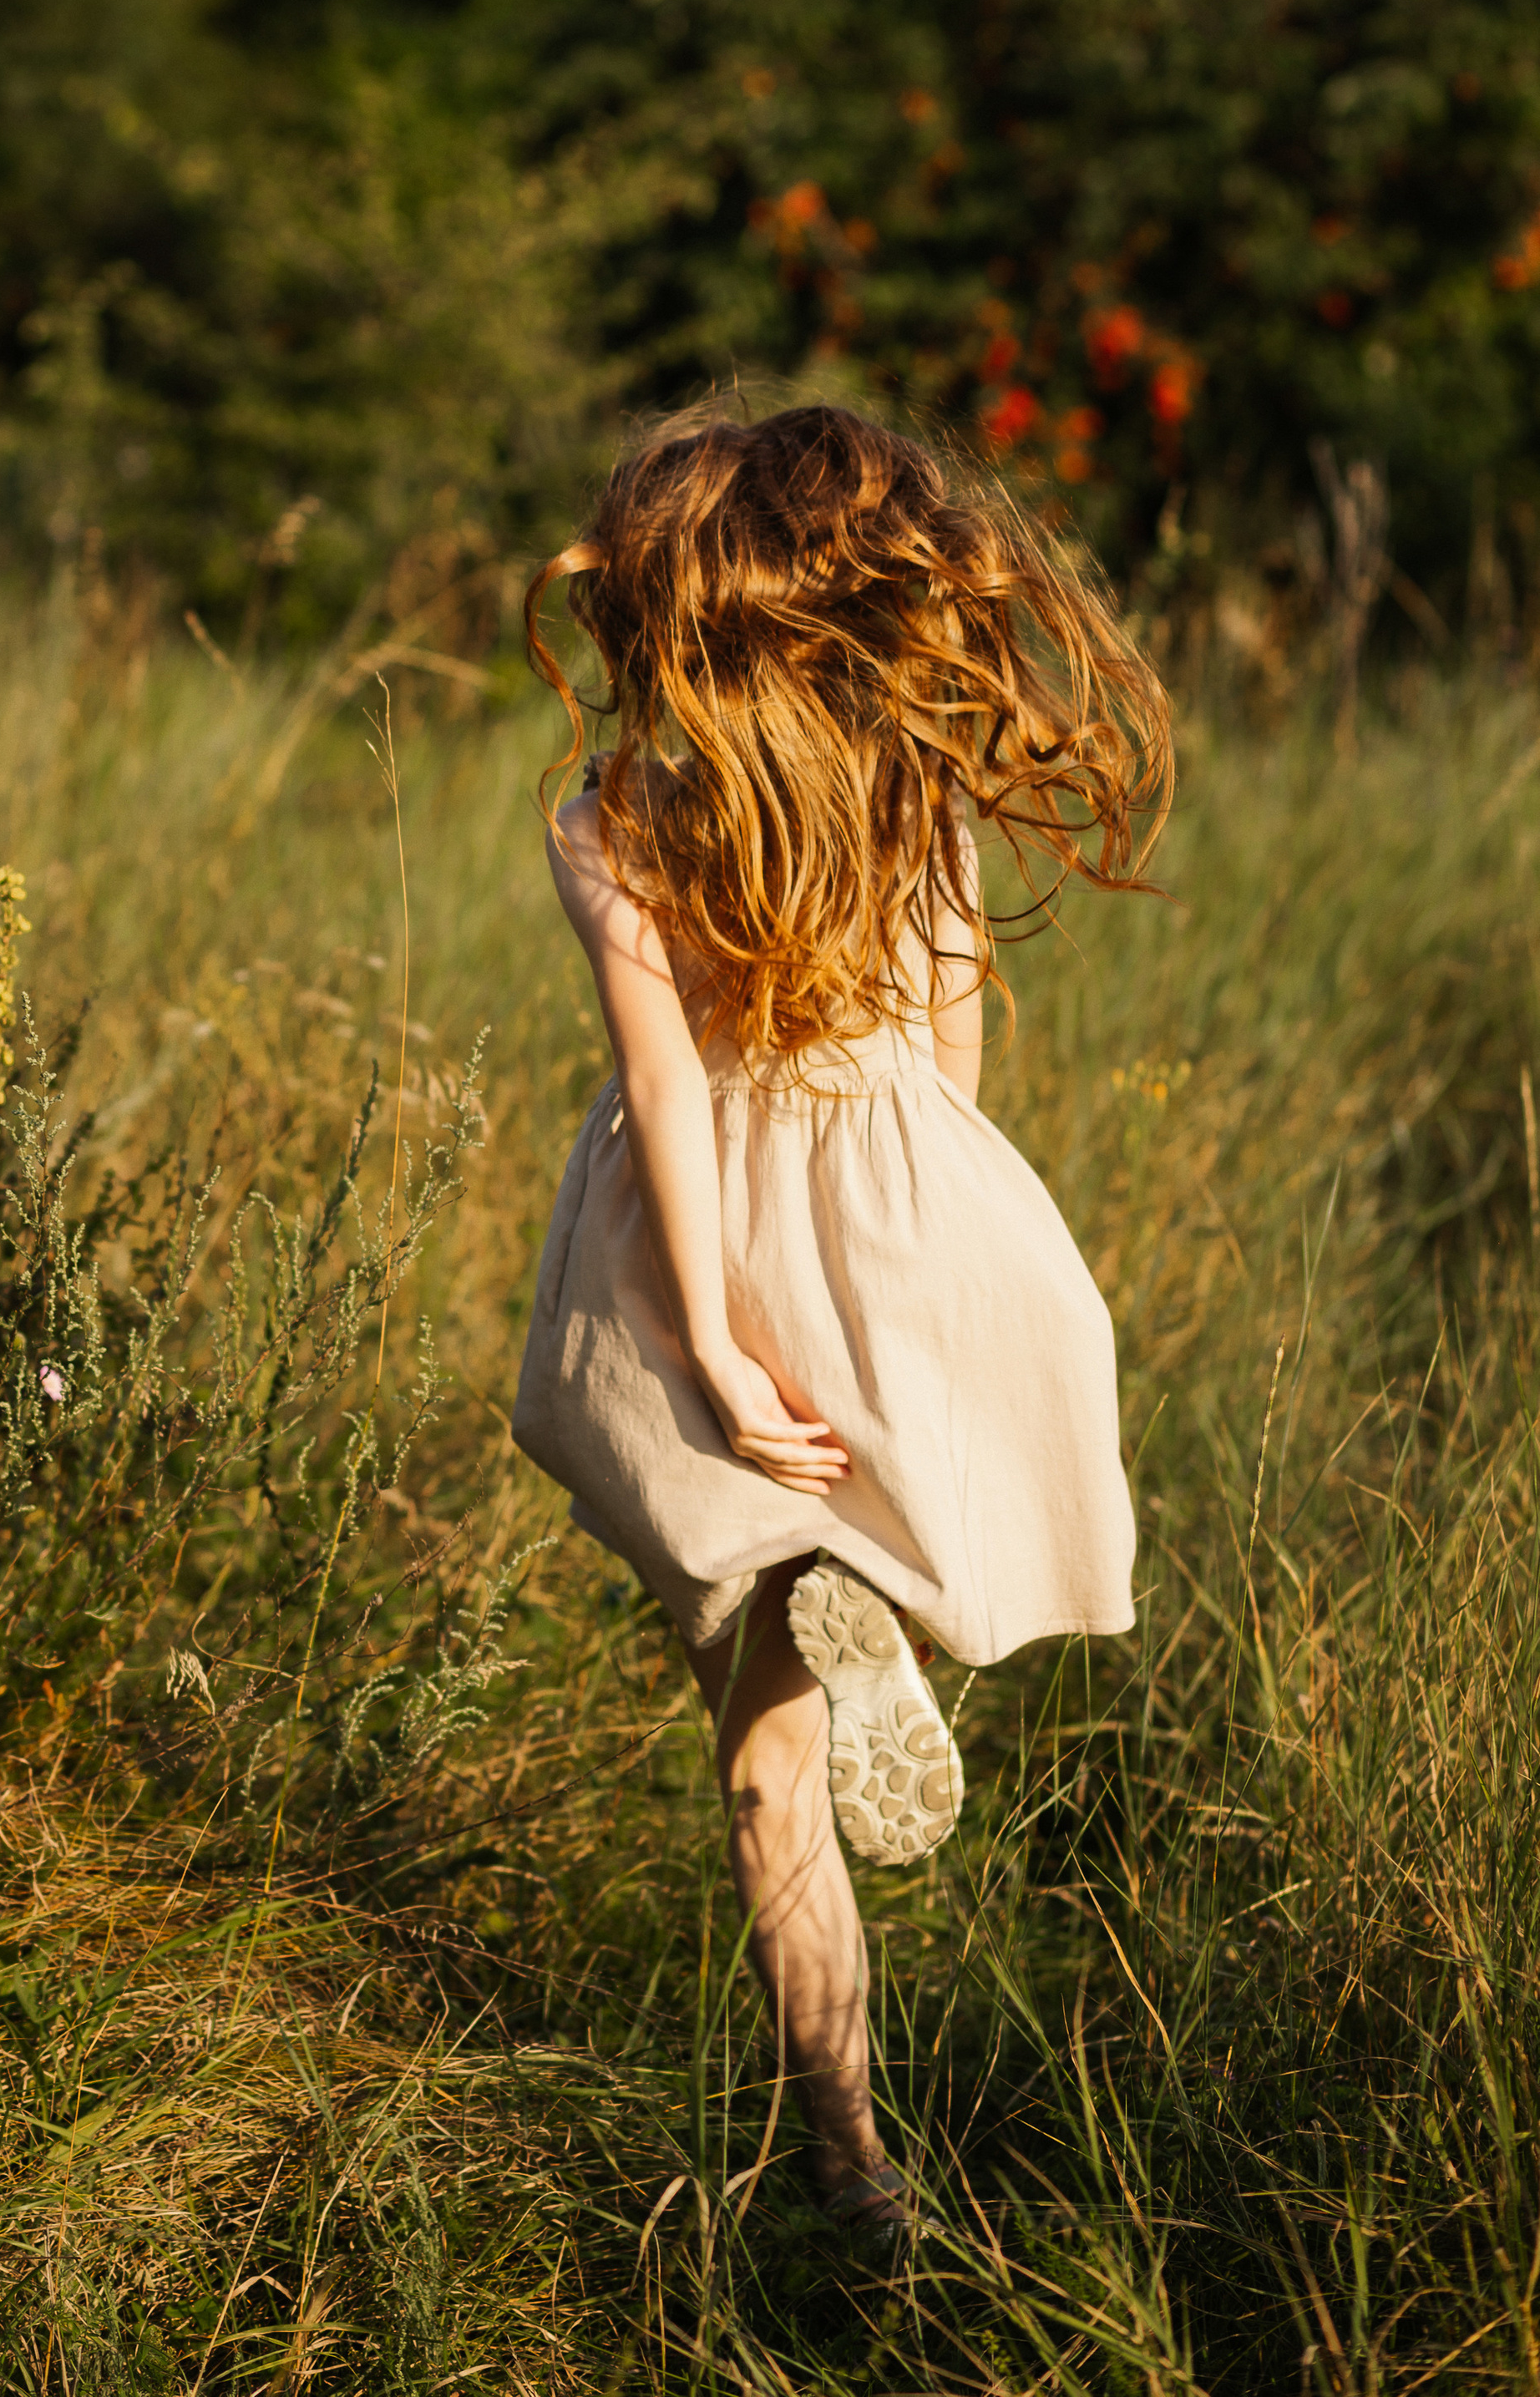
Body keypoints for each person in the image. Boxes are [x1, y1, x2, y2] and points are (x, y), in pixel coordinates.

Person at [513, 401, 1171, 2232]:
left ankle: (848, 2163)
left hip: (710, 1239)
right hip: (906, 1202)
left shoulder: (613, 824)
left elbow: (665, 1094)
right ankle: (869, 1584)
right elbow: (949, 1052)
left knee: (763, 1760)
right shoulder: (913, 794)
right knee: (878, 1515)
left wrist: (717, 1345)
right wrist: (937, 1262)